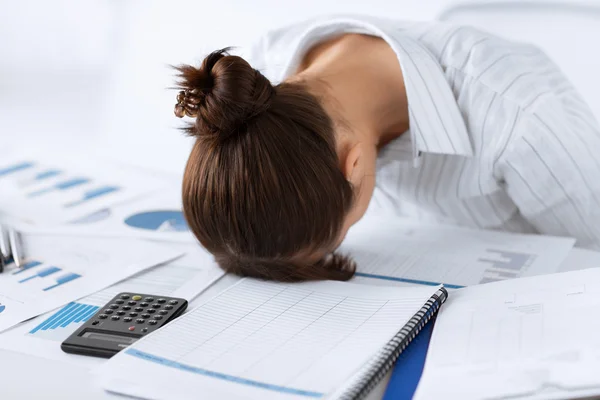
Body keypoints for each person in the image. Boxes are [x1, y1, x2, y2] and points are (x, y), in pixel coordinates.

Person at [173, 15, 600, 282]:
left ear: (352, 165)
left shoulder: (519, 113)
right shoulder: (251, 95)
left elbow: (594, 256)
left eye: (341, 235)